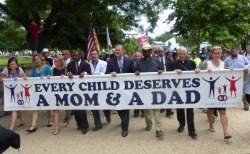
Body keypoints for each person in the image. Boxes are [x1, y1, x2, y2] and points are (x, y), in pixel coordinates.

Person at [204, 46, 233, 139]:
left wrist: (231, 71)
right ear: (212, 54)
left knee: (222, 111)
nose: (217, 55)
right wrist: (205, 72)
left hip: (220, 91)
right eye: (215, 53)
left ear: (220, 54)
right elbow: (202, 77)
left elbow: (225, 76)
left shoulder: (223, 64)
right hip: (210, 91)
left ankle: (225, 132)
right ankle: (211, 125)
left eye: (218, 53)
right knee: (210, 110)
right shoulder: (207, 63)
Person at [135, 43, 164, 138]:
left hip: (155, 89)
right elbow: (134, 73)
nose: (147, 53)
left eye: (148, 51)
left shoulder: (156, 61)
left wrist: (161, 72)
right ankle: (148, 124)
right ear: (142, 52)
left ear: (151, 51)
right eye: (145, 51)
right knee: (146, 109)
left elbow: (162, 70)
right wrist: (136, 73)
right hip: (144, 90)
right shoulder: (138, 62)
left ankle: (158, 129)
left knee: (156, 109)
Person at [105, 44, 134, 137]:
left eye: (118, 50)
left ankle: (124, 129)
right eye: (116, 50)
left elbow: (133, 72)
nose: (116, 51)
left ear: (123, 51)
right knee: (119, 108)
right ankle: (124, 121)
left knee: (125, 108)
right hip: (116, 90)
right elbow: (106, 73)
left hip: (126, 89)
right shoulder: (110, 62)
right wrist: (110, 73)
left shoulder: (129, 61)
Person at [170, 46, 198, 139]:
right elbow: (168, 76)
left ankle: (192, 130)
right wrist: (174, 72)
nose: (182, 55)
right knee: (180, 109)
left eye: (184, 53)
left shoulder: (192, 63)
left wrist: (197, 71)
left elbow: (195, 75)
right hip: (178, 90)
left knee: (190, 110)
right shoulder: (173, 63)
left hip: (190, 90)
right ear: (178, 54)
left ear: (186, 54)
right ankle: (181, 124)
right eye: (180, 53)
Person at [26, 54, 52, 133]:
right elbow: (31, 78)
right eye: (34, 60)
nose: (36, 61)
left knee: (47, 106)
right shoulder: (34, 68)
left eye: (37, 59)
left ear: (41, 59)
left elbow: (51, 78)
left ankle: (50, 120)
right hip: (36, 91)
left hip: (46, 91)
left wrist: (47, 77)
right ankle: (33, 125)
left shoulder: (47, 67)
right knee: (35, 107)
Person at [67, 51, 91, 134]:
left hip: (83, 89)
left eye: (76, 55)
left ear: (80, 56)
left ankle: (85, 126)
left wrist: (85, 73)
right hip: (73, 89)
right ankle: (79, 124)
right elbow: (68, 72)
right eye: (73, 55)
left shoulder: (86, 64)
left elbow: (90, 73)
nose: (75, 57)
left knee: (82, 109)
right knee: (76, 108)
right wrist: (68, 73)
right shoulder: (70, 65)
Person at [0, 57, 26, 131]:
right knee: (17, 108)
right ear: (9, 65)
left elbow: (25, 79)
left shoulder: (20, 72)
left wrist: (19, 79)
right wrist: (2, 79)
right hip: (10, 93)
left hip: (18, 93)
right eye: (11, 64)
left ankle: (11, 127)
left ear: (16, 64)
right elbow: (2, 79)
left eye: (14, 64)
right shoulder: (7, 72)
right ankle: (22, 120)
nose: (12, 65)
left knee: (14, 108)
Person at [88, 49, 111, 131]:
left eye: (94, 54)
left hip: (102, 87)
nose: (93, 56)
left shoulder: (104, 63)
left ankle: (107, 115)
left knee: (105, 105)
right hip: (92, 88)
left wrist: (97, 74)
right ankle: (98, 124)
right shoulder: (88, 64)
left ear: (98, 54)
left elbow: (106, 73)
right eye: (92, 54)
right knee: (94, 105)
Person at [51, 56, 69, 135]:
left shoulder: (65, 69)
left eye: (56, 62)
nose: (54, 63)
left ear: (60, 62)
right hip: (56, 90)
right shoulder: (53, 70)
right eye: (54, 62)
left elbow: (69, 78)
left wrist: (65, 77)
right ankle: (56, 127)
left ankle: (68, 119)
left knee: (66, 107)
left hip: (64, 90)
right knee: (56, 108)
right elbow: (51, 79)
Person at [157, 46, 174, 117]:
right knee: (161, 94)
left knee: (168, 94)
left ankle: (168, 111)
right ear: (157, 52)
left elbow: (172, 68)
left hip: (168, 79)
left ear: (164, 52)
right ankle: (162, 107)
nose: (160, 52)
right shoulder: (155, 60)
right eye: (159, 51)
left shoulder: (169, 59)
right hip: (159, 80)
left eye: (162, 51)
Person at [132, 52, 145, 118]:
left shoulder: (142, 63)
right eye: (135, 56)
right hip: (133, 83)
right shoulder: (130, 63)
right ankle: (136, 112)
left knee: (142, 97)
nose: (137, 57)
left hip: (141, 83)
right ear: (133, 57)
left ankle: (143, 111)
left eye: (138, 56)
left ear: (140, 57)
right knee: (135, 97)